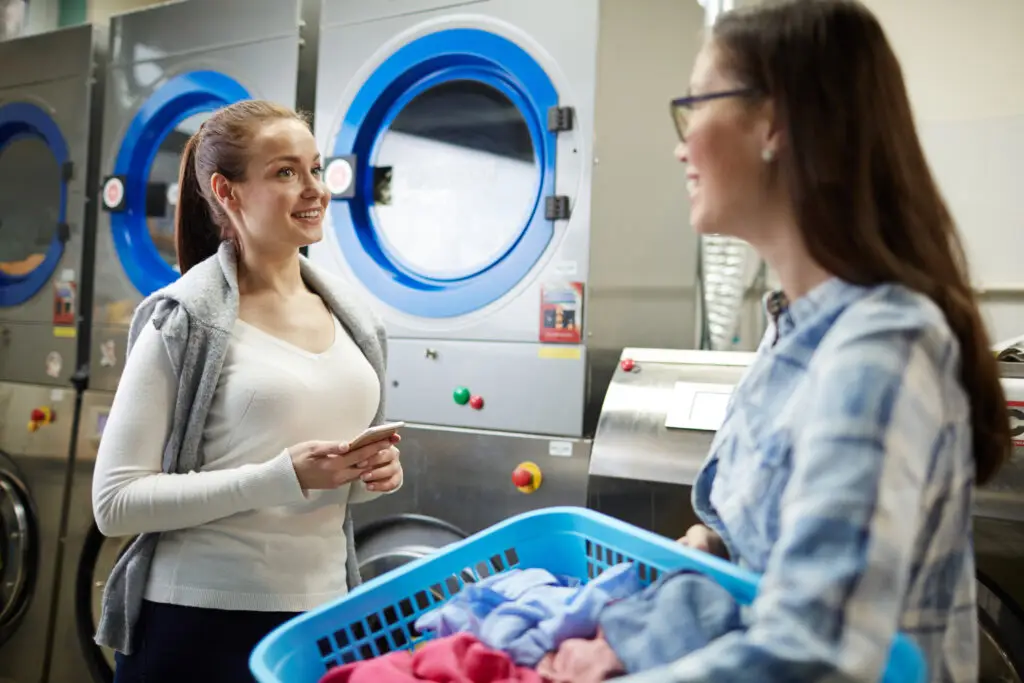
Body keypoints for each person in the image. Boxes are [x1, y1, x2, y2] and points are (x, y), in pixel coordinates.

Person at [633, 1, 1010, 681]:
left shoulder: (883, 346)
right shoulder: (796, 327)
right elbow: (766, 534)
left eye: (694, 106)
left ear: (775, 122)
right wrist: (706, 549)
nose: (680, 145)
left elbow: (818, 650)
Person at [91, 100, 403, 682]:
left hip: (322, 615)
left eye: (315, 167)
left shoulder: (356, 317)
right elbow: (114, 503)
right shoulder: (184, 319)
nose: (313, 189)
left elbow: (328, 492)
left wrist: (371, 475)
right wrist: (279, 477)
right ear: (226, 191)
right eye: (285, 173)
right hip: (201, 619)